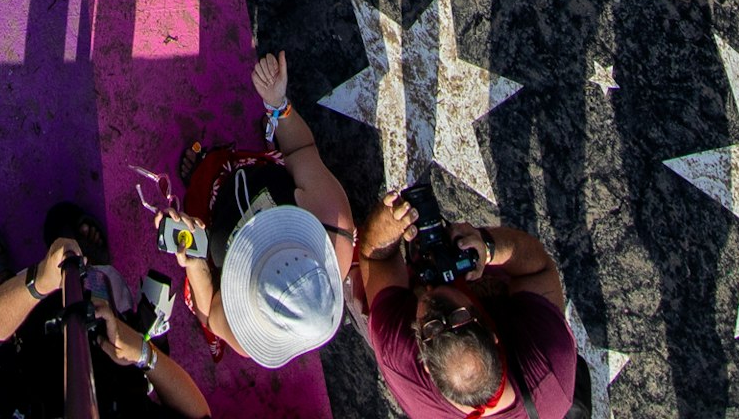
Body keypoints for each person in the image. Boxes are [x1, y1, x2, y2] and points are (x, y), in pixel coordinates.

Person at [160, 53, 354, 370]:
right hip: (262, 172)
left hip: (215, 214)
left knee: (202, 190)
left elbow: (209, 309)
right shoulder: (334, 224)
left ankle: (204, 176)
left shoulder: (245, 333)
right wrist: (279, 105)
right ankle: (232, 158)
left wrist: (196, 264)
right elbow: (300, 151)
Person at [0, 210, 211, 419]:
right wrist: (145, 353)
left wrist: (39, 280)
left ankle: (2, 281)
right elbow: (199, 414)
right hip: (113, 334)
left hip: (27, 336)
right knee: (105, 279)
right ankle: (96, 266)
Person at [350, 187, 573, 419]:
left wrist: (384, 230)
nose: (434, 290)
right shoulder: (549, 372)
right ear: (493, 334)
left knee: (367, 293)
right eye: (458, 316)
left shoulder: (399, 357)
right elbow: (540, 270)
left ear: (425, 366)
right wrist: (487, 248)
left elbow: (376, 257)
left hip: (399, 328)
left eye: (431, 324)